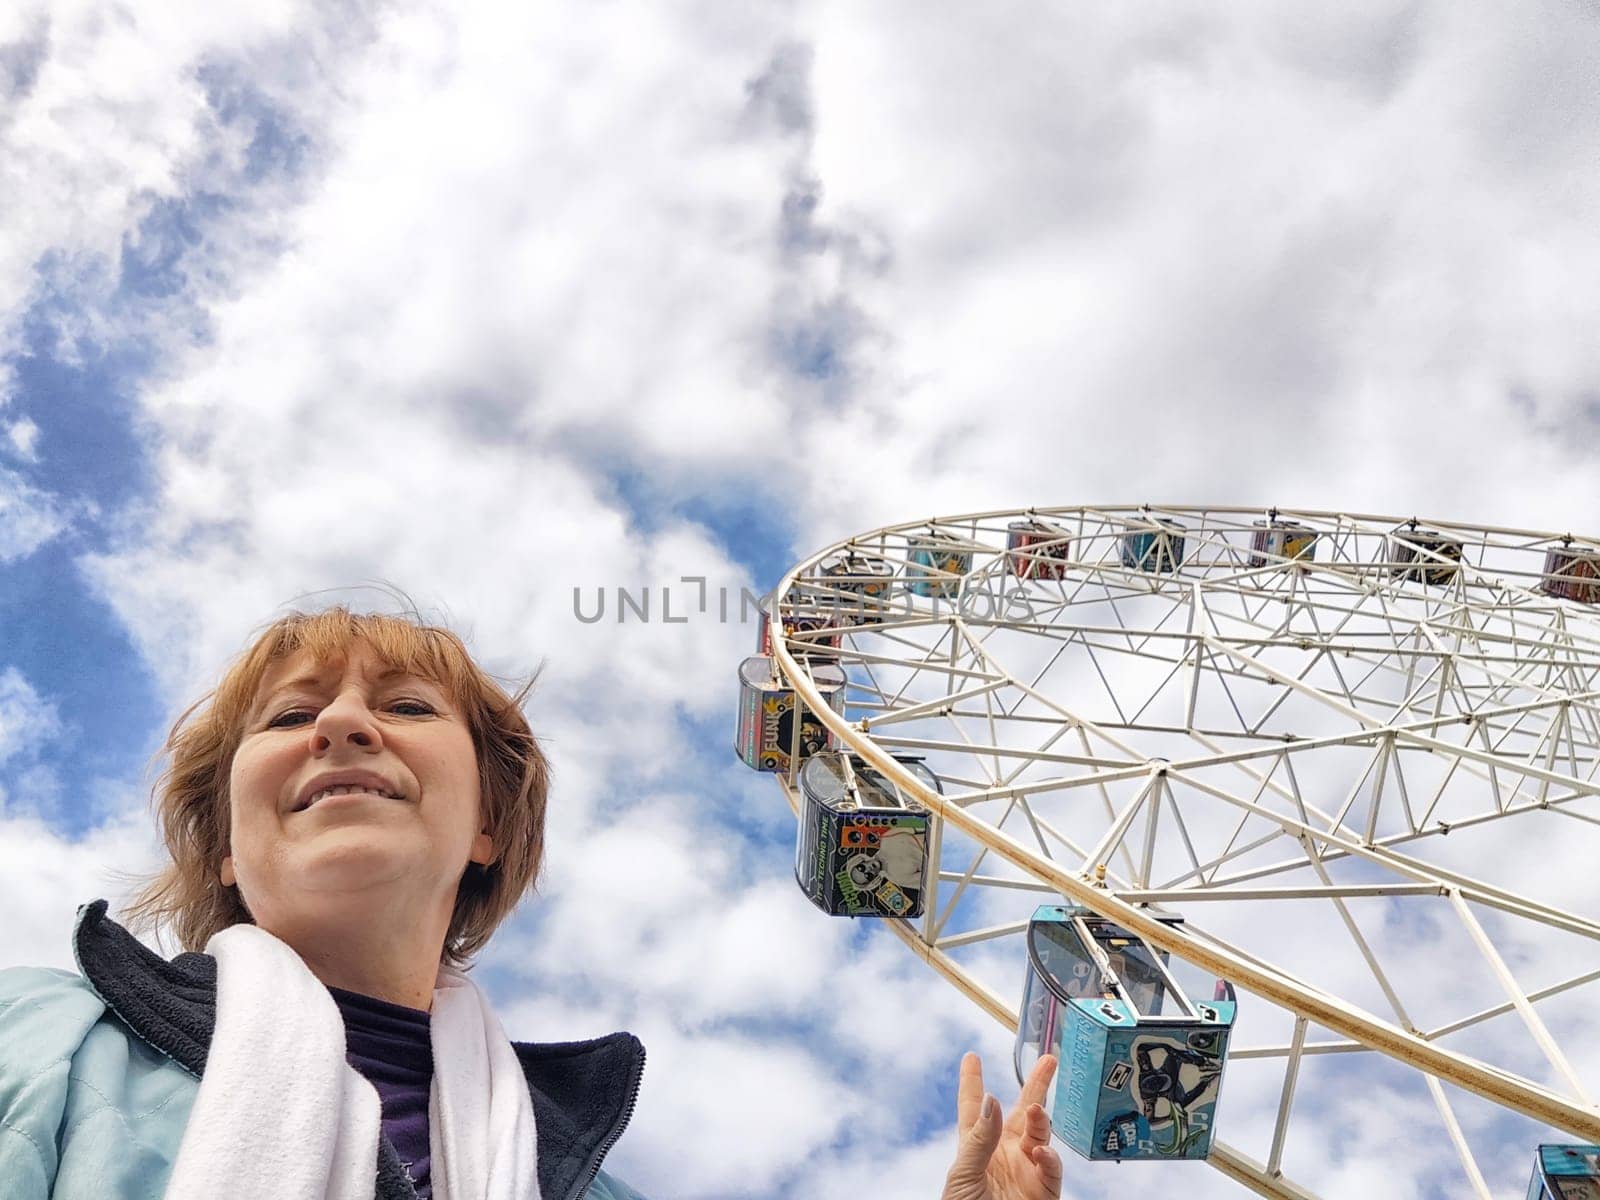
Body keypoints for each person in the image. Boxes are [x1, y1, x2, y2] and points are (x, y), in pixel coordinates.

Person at [0, 604, 1064, 1199]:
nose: (343, 726)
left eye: (407, 706)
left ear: (486, 830)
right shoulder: (38, 1037)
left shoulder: (589, 1179)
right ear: (228, 849)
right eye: (290, 717)